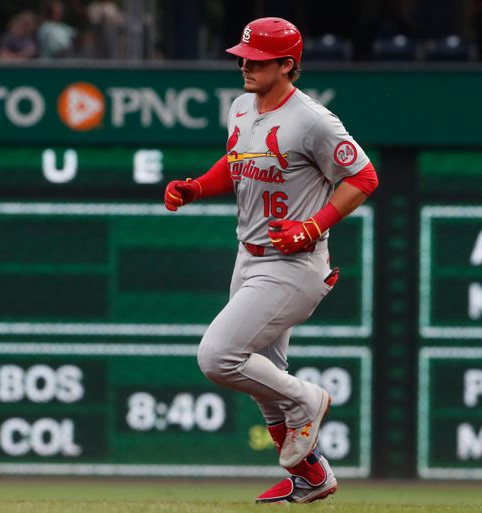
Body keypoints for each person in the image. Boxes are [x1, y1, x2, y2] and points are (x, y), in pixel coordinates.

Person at [163, 17, 378, 504]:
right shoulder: (241, 107)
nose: (245, 65)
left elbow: (363, 178)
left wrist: (314, 224)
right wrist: (198, 185)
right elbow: (236, 163)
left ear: (289, 65)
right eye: (243, 56)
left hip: (296, 263)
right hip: (250, 255)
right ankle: (312, 477)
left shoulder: (313, 120)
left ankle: (310, 399)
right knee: (264, 381)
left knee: (219, 357)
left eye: (258, 60)